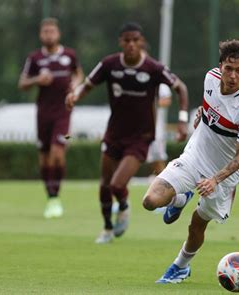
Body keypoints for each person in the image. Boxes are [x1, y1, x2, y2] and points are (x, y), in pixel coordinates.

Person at [142, 39, 239, 284]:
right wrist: (201, 114)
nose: (233, 75)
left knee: (197, 225)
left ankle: (180, 267)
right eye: (229, 68)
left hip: (222, 176)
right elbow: (209, 107)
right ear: (220, 66)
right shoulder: (210, 78)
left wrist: (215, 180)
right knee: (150, 201)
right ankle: (180, 197)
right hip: (194, 156)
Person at [65, 22, 189, 244]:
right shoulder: (109, 64)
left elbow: (181, 88)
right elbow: (87, 84)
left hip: (140, 138)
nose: (131, 44)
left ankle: (123, 206)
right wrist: (75, 96)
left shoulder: (153, 68)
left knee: (117, 184)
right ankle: (107, 229)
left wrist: (182, 120)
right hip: (114, 134)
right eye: (127, 40)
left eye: (135, 40)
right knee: (104, 184)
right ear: (121, 42)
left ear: (141, 42)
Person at [18, 18, 83, 219]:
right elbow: (22, 83)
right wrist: (38, 79)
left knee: (57, 152)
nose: (49, 35)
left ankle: (56, 198)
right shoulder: (35, 58)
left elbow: (79, 74)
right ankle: (51, 198)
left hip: (63, 113)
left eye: (52, 31)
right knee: (45, 158)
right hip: (43, 113)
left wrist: (74, 84)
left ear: (58, 34)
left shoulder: (69, 55)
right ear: (41, 35)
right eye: (45, 31)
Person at [146, 83, 173, 176]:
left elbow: (167, 101)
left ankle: (165, 178)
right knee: (150, 157)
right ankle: (158, 176)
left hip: (158, 128)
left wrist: (150, 102)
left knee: (159, 155)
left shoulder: (162, 86)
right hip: (146, 127)